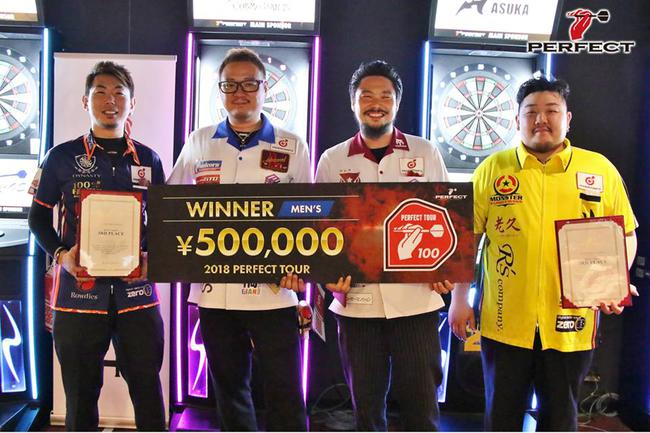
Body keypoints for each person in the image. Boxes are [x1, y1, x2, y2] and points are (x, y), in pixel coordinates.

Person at [449, 76, 638, 431]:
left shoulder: (599, 169)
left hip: (571, 323)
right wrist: (459, 300)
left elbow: (625, 234)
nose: (541, 119)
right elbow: (466, 239)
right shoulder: (493, 169)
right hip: (505, 322)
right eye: (531, 112)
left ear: (568, 119)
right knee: (501, 417)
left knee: (560, 418)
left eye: (551, 111)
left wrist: (614, 284)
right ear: (517, 120)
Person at [167, 47, 309, 431]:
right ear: (220, 90)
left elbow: (308, 219)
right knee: (229, 391)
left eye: (249, 84)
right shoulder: (199, 141)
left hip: (275, 291)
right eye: (230, 85)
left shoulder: (292, 145)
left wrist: (300, 268)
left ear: (265, 88)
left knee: (285, 391)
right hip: (215, 292)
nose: (239, 92)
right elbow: (171, 207)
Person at [315, 60, 454, 431]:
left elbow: (449, 216)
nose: (376, 104)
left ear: (397, 103)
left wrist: (447, 270)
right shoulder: (332, 159)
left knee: (421, 407)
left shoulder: (425, 152)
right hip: (357, 304)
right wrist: (327, 275)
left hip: (416, 301)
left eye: (385, 96)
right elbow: (322, 228)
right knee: (367, 410)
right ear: (353, 103)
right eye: (366, 96)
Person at [28, 61, 166, 431]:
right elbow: (37, 218)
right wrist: (61, 256)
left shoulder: (149, 159)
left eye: (119, 93)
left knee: (148, 394)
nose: (110, 101)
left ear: (132, 103)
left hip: (137, 296)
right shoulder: (60, 157)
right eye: (100, 92)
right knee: (80, 399)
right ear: (85, 101)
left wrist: (152, 257)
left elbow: (162, 223)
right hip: (78, 296)